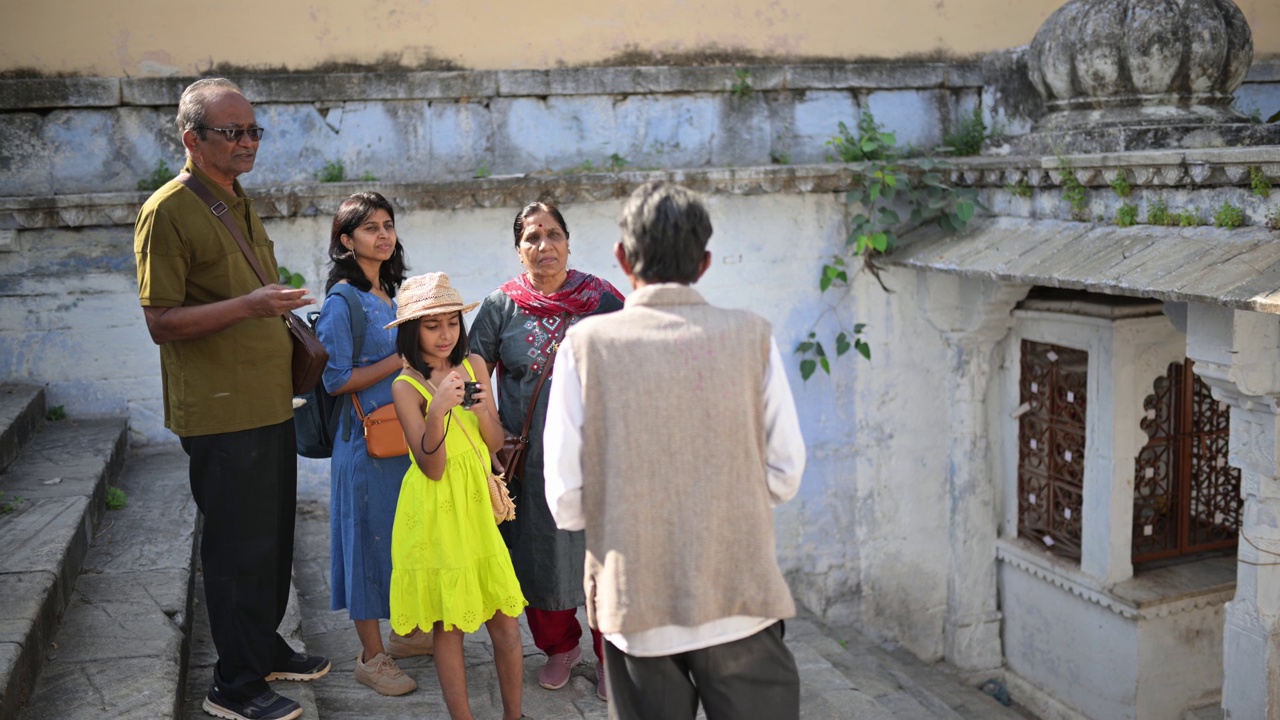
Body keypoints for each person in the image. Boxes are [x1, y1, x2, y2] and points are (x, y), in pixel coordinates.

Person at [543, 180, 807, 720]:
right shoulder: (752, 336)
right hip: (740, 597)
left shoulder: (585, 347)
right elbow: (784, 473)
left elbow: (566, 500)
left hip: (637, 605)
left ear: (621, 257)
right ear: (705, 263)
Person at [134, 77, 330, 720]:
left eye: (253, 131)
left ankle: (263, 648)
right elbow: (160, 320)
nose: (248, 142)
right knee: (235, 548)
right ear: (192, 140)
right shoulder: (168, 210)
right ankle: (233, 685)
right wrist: (249, 305)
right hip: (221, 408)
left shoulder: (233, 197)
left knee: (270, 542)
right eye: (233, 132)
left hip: (268, 399)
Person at [470, 202, 624, 699]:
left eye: (553, 234)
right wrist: (490, 430)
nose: (544, 246)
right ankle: (560, 647)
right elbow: (475, 362)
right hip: (530, 461)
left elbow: (636, 352)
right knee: (539, 553)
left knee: (602, 554)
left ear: (568, 241)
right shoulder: (502, 305)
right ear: (519, 251)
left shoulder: (601, 299)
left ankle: (610, 657)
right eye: (532, 238)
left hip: (595, 456)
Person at [387, 272, 528, 720]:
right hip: (436, 510)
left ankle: (514, 715)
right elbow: (432, 466)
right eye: (432, 325)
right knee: (450, 626)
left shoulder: (475, 366)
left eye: (452, 322)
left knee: (506, 622)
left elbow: (491, 442)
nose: (445, 333)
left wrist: (484, 408)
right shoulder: (405, 387)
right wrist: (439, 412)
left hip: (476, 510)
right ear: (413, 331)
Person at [314, 192, 431, 697]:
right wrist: (401, 361)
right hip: (363, 445)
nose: (384, 235)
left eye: (388, 225)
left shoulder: (394, 292)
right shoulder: (343, 300)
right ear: (346, 240)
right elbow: (335, 379)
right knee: (365, 544)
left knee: (403, 537)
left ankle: (404, 634)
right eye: (370, 228)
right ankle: (370, 656)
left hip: (404, 437)